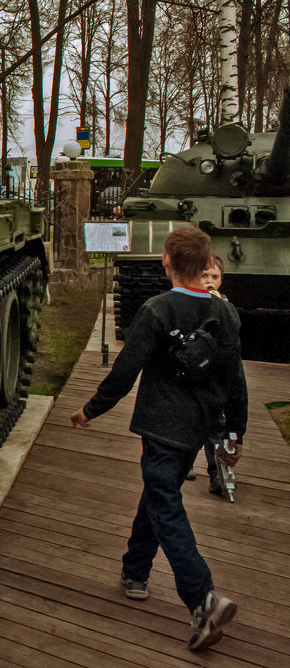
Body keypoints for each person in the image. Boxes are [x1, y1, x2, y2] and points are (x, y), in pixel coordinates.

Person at [71, 227, 247, 652]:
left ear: (166, 261)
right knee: (158, 492)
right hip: (199, 429)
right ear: (207, 266)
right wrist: (234, 433)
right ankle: (135, 572)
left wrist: (90, 409)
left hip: (161, 427)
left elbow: (126, 370)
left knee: (165, 503)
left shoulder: (157, 310)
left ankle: (202, 598)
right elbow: (235, 379)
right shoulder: (226, 314)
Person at [187, 255, 229, 493]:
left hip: (214, 376)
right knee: (190, 421)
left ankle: (216, 474)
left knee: (216, 427)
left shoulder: (225, 306)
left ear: (221, 281)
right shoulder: (190, 304)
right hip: (193, 373)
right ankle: (186, 464)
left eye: (214, 277)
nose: (209, 281)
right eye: (205, 276)